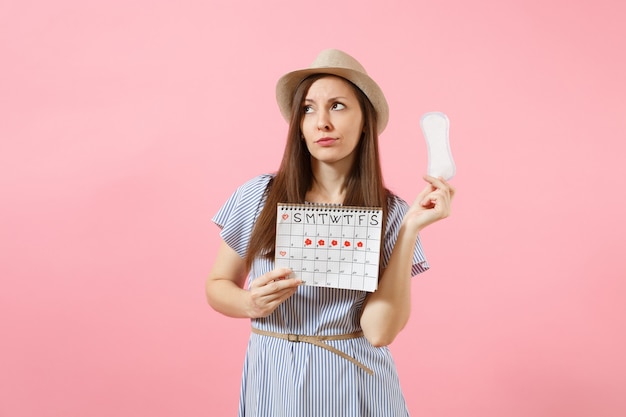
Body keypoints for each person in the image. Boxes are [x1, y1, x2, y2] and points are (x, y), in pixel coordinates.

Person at [206, 49, 455, 416]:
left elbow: (379, 332)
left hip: (355, 385)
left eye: (337, 106)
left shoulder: (394, 214)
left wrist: (410, 230)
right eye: (307, 109)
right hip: (274, 379)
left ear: (365, 120)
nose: (321, 122)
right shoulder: (258, 196)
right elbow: (217, 284)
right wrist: (249, 303)